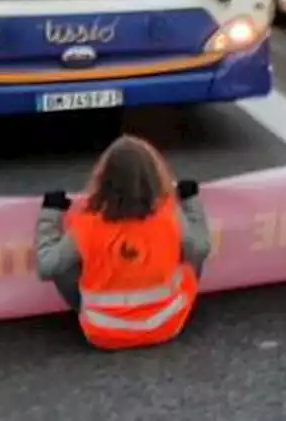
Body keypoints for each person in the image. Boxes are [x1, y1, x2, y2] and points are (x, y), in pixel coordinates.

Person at [35, 135, 212, 351]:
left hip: (103, 333)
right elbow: (201, 249)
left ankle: (87, 310)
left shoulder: (87, 224)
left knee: (64, 262)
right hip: (167, 324)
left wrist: (51, 214)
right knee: (191, 248)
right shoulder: (168, 214)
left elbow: (47, 266)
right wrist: (191, 202)